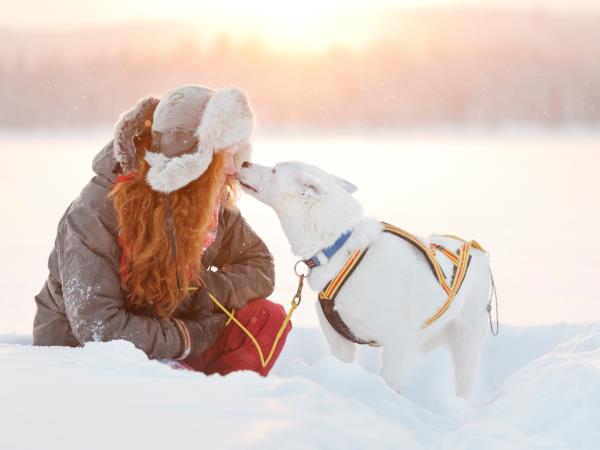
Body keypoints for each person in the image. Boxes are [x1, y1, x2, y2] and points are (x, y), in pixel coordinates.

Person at [32, 85, 291, 376]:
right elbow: (97, 328)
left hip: (170, 335)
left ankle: (219, 401)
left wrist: (198, 291)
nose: (233, 169)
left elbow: (259, 265)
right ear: (192, 161)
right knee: (120, 354)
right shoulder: (94, 212)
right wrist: (188, 335)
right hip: (89, 357)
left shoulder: (207, 202)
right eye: (225, 156)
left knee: (266, 319)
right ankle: (176, 393)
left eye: (236, 153)